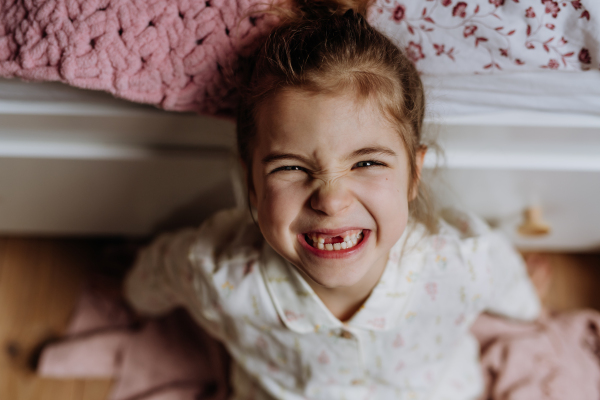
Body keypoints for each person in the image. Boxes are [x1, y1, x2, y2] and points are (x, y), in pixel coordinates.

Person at [124, 1, 540, 399]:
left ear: (413, 174)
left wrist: (527, 307)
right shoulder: (217, 273)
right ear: (250, 180)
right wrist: (135, 299)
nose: (331, 199)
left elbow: (505, 278)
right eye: (290, 168)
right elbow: (160, 272)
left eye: (366, 163)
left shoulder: (463, 263)